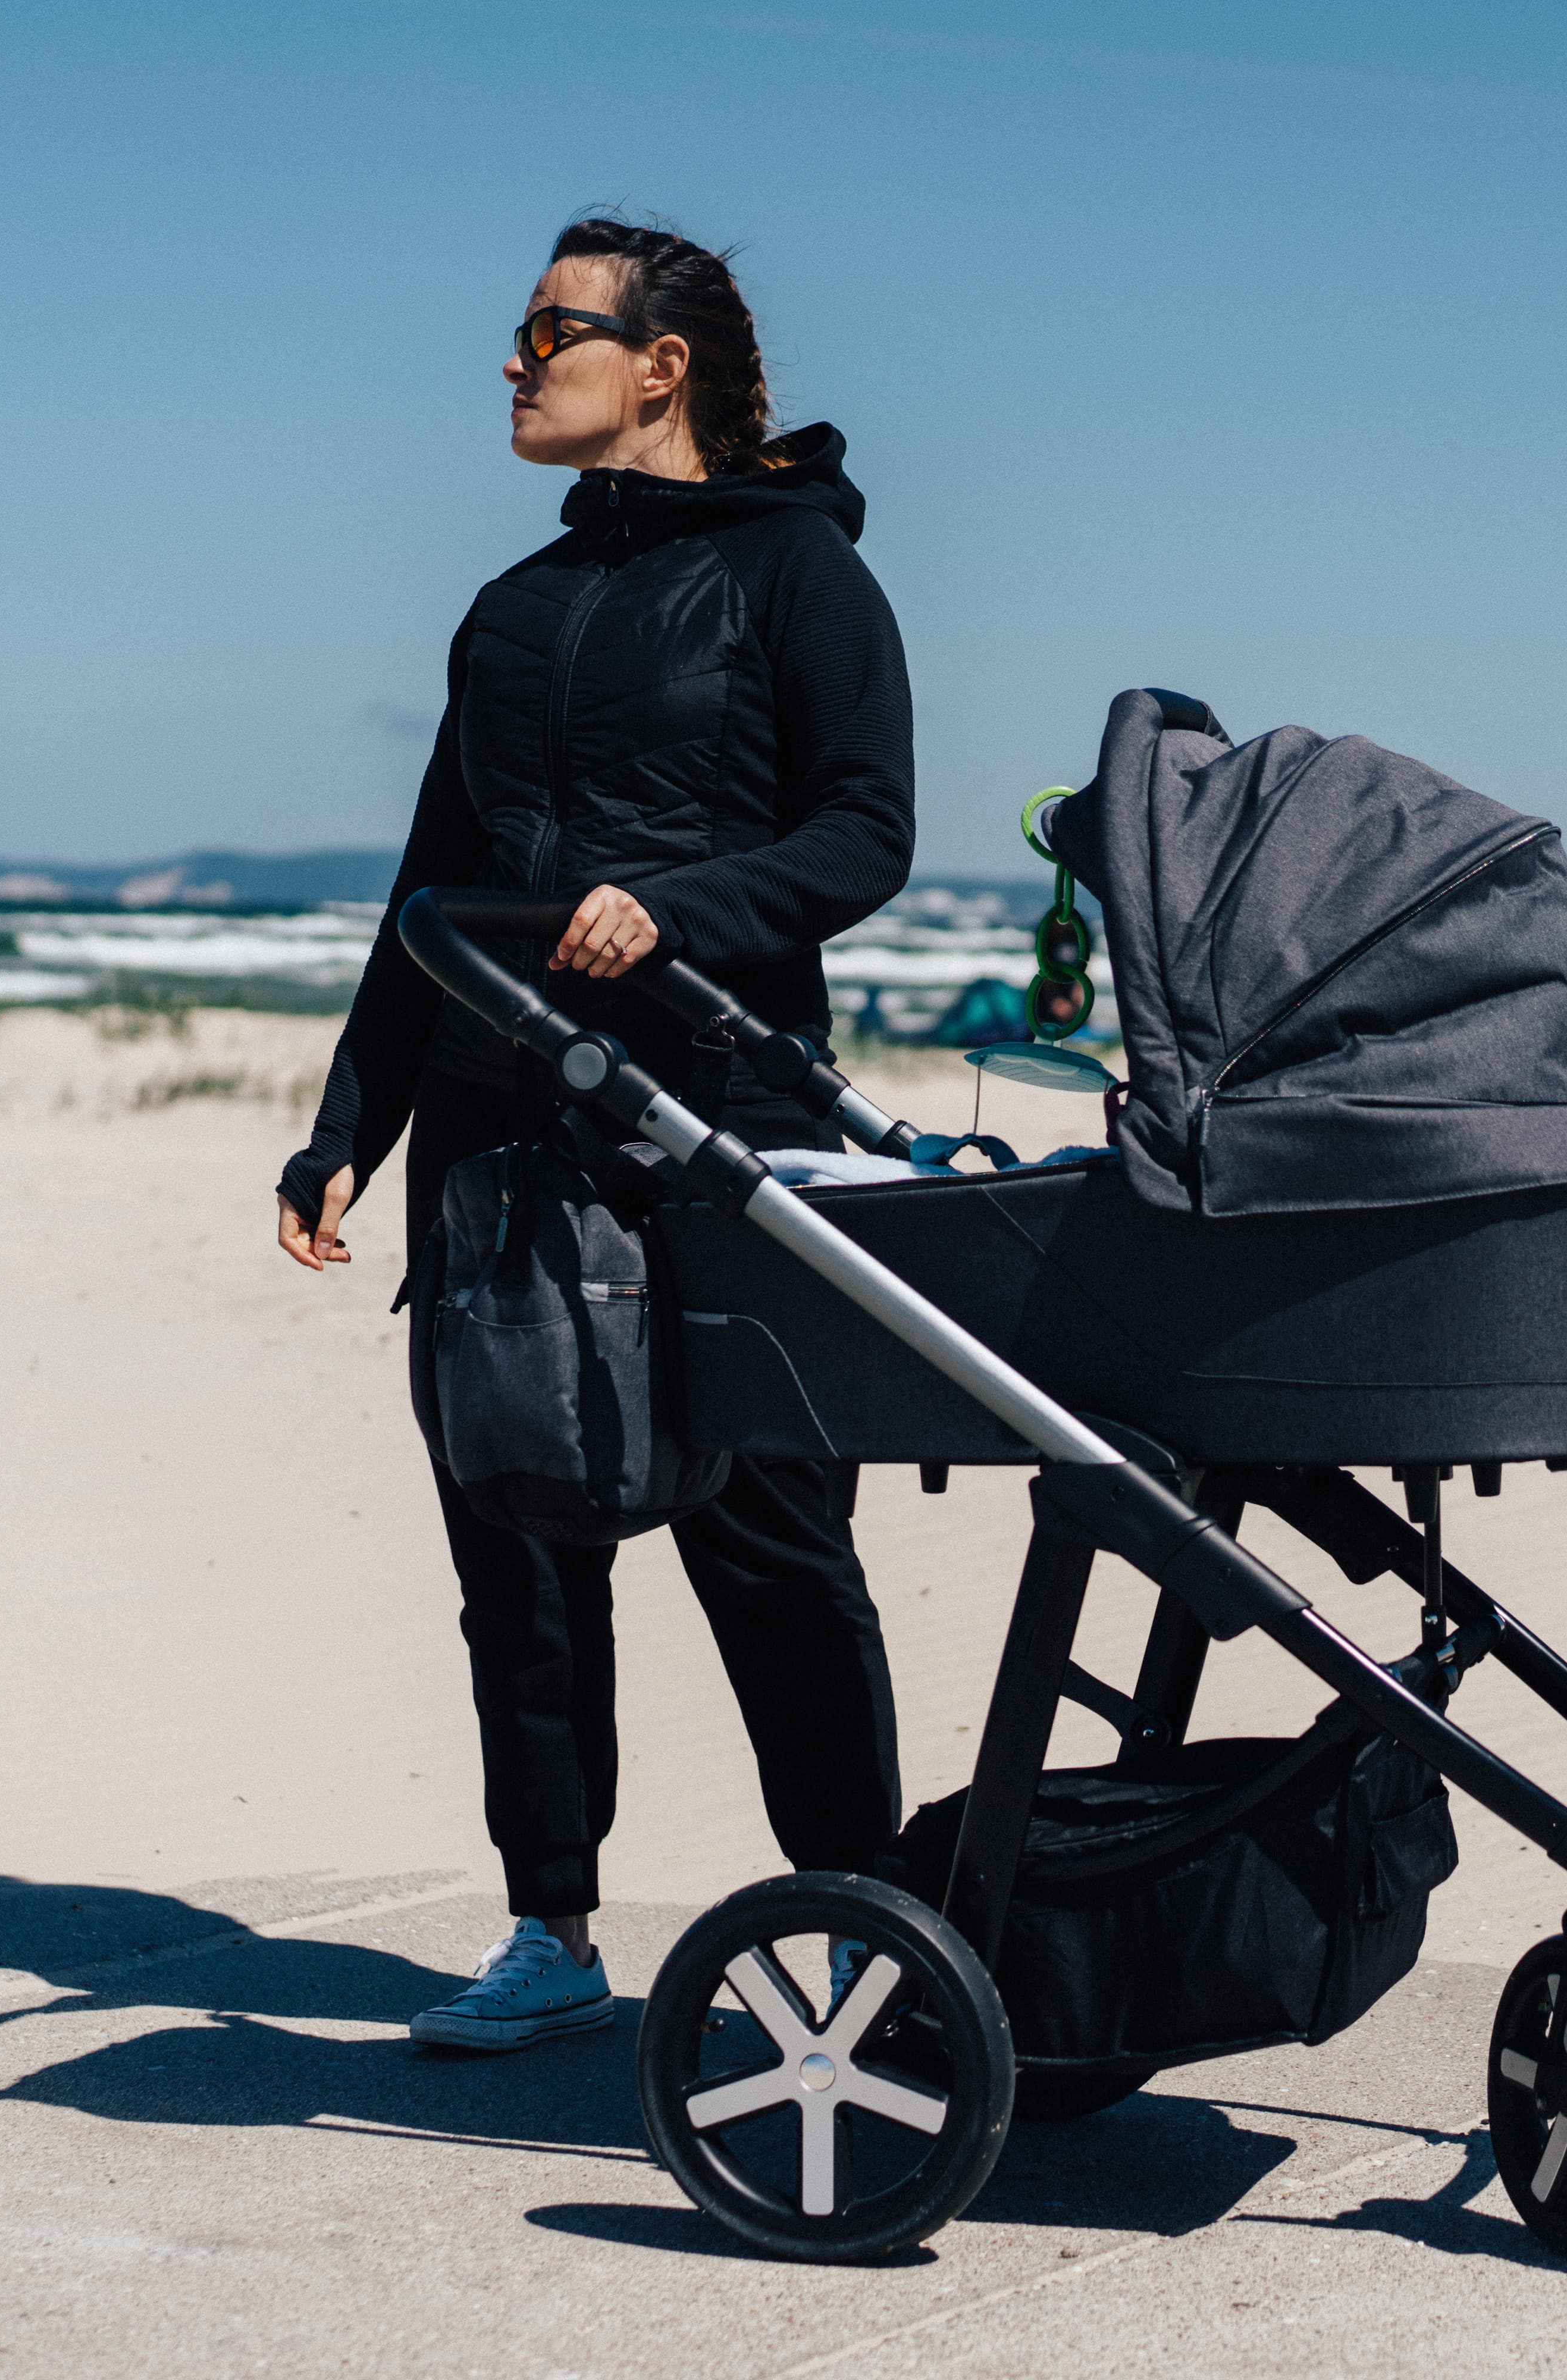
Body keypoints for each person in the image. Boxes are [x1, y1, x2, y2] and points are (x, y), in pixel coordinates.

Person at [274, 217, 911, 2049]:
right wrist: (350, 1127)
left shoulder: (800, 577)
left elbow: (865, 832)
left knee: (776, 1549)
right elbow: (430, 891)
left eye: (552, 328)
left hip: (723, 1132)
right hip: (501, 1149)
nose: (515, 360)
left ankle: (864, 1931)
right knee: (521, 1555)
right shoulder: (512, 610)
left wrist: (685, 904)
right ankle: (551, 1932)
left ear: (660, 366)